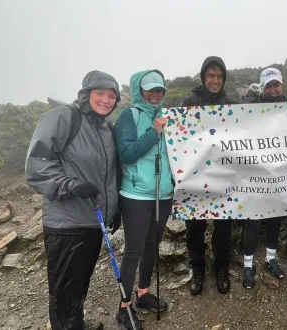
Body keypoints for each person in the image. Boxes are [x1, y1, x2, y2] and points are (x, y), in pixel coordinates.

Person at [25, 70, 121, 330]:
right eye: (100, 93)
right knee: (65, 290)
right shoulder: (64, 117)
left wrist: (115, 210)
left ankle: (75, 324)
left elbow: (109, 174)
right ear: (86, 93)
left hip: (94, 221)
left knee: (79, 283)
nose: (105, 100)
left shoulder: (105, 128)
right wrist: (70, 186)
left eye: (112, 96)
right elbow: (37, 166)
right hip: (67, 223)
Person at [114, 70, 173, 329]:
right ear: (139, 89)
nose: (155, 94)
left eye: (159, 89)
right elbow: (126, 154)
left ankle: (143, 294)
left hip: (164, 194)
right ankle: (123, 307)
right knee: (134, 250)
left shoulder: (168, 115)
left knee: (152, 246)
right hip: (136, 195)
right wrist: (153, 132)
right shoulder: (129, 116)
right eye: (150, 89)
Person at [181, 56, 237, 295]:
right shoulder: (189, 101)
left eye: (219, 76)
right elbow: (180, 138)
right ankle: (198, 268)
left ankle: (221, 267)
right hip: (195, 175)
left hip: (223, 174)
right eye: (211, 76)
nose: (215, 80)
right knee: (195, 226)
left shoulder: (231, 103)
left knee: (223, 226)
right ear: (203, 77)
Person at [240, 68, 287, 288]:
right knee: (253, 221)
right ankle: (248, 265)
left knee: (275, 219)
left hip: (279, 175)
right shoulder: (252, 107)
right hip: (255, 176)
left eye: (276, 85)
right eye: (268, 86)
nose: (272, 90)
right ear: (262, 88)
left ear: (281, 86)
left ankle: (271, 258)